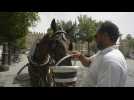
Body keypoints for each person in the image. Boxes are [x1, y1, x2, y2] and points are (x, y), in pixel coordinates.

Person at [72, 21, 128, 87]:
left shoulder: (110, 61)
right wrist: (80, 56)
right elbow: (88, 63)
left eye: (96, 36)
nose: (95, 39)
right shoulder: (103, 53)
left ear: (105, 36)